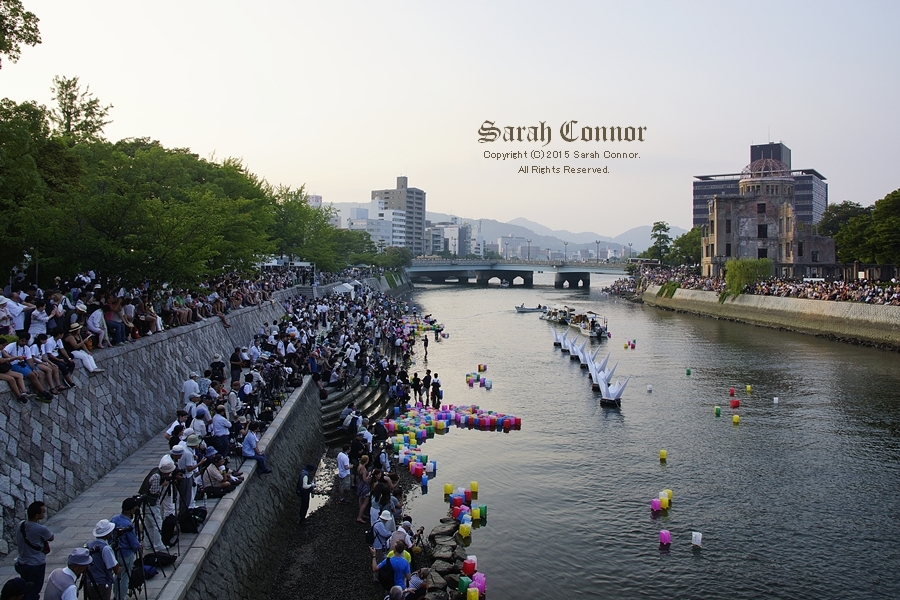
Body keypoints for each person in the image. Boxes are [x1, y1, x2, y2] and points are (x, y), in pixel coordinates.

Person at [14, 501, 53, 600]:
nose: (44, 514)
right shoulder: (40, 529)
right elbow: (51, 537)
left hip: (22, 562)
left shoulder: (21, 524)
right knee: (34, 590)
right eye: (43, 512)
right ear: (37, 515)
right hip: (36, 563)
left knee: (24, 589)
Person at [110, 498, 141, 600]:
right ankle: (121, 597)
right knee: (125, 578)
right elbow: (134, 543)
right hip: (126, 554)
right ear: (131, 510)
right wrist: (139, 547)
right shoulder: (128, 525)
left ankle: (116, 595)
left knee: (117, 575)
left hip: (115, 552)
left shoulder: (114, 519)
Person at [84, 520, 119, 600]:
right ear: (107, 534)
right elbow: (115, 568)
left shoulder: (89, 544)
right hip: (102, 583)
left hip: (89, 582)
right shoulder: (105, 548)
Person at [355, 455, 370, 523]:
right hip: (364, 486)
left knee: (360, 500)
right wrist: (369, 475)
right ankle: (359, 517)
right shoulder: (363, 469)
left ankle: (361, 514)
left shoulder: (359, 466)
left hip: (360, 484)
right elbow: (365, 479)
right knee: (365, 501)